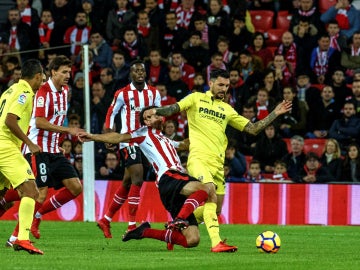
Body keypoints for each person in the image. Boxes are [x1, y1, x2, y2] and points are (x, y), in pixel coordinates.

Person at [152, 69, 292, 252]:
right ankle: (216, 243)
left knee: (215, 211)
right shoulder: (195, 98)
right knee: (209, 192)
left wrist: (275, 112)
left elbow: (253, 129)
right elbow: (174, 108)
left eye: (226, 86)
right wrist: (155, 111)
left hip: (218, 166)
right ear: (210, 83)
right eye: (220, 84)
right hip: (198, 159)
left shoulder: (227, 110)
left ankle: (179, 222)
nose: (224, 89)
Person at [78, 106, 209, 250]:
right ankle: (179, 219)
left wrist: (204, 130)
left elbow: (185, 144)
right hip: (169, 177)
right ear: (147, 120)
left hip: (172, 187)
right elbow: (119, 137)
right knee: (205, 188)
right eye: (154, 114)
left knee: (192, 240)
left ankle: (144, 231)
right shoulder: (143, 134)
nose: (159, 115)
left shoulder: (166, 140)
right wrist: (92, 136)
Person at [7, 55, 84, 244]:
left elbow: (55, 119)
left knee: (75, 187)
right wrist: (69, 130)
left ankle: (37, 215)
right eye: (64, 72)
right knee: (37, 191)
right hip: (37, 148)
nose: (68, 75)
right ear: (53, 72)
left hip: (53, 150)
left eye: (69, 71)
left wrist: (57, 141)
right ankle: (15, 236)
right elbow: (39, 122)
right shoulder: (41, 90)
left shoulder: (65, 91)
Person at [97, 60, 161, 238]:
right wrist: (109, 133)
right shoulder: (122, 93)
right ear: (131, 74)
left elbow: (157, 114)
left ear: (145, 73)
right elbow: (111, 112)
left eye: (142, 70)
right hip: (128, 140)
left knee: (127, 182)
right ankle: (132, 224)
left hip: (146, 141)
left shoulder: (154, 93)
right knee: (138, 177)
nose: (140, 73)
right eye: (136, 71)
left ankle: (106, 219)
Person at [0, 59, 44, 254]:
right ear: (37, 76)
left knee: (2, 196)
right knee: (31, 191)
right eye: (42, 76)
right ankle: (23, 239)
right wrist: (30, 143)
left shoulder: (9, 91)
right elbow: (10, 120)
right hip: (5, 145)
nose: (43, 80)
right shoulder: (24, 93)